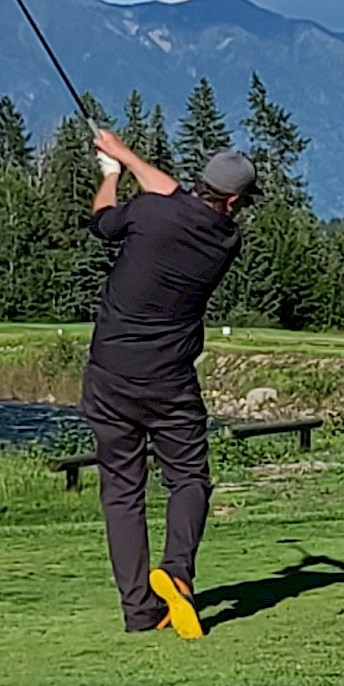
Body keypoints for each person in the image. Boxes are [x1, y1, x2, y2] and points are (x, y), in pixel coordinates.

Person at [82, 126, 254, 638]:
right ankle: (176, 572)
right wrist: (125, 155)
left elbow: (103, 221)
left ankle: (140, 609)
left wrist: (110, 175)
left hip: (110, 372)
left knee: (121, 491)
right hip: (170, 380)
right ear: (231, 202)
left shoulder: (150, 213)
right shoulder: (225, 239)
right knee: (188, 479)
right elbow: (171, 195)